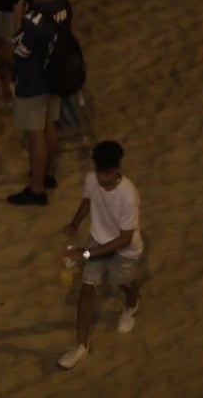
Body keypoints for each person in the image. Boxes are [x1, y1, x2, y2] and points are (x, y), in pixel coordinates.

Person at [57, 140, 143, 369]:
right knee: (87, 291)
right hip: (97, 240)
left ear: (116, 170)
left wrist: (84, 253)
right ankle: (81, 346)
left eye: (106, 173)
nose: (101, 179)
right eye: (99, 172)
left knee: (124, 283)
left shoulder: (128, 195)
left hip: (125, 251)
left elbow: (124, 239)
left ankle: (131, 305)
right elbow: (87, 201)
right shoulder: (92, 179)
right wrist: (75, 223)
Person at [7, 0, 71, 206]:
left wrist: (17, 20)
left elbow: (20, 49)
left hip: (33, 80)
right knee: (50, 125)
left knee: (35, 135)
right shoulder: (62, 3)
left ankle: (36, 189)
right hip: (55, 75)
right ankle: (49, 174)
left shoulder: (34, 18)